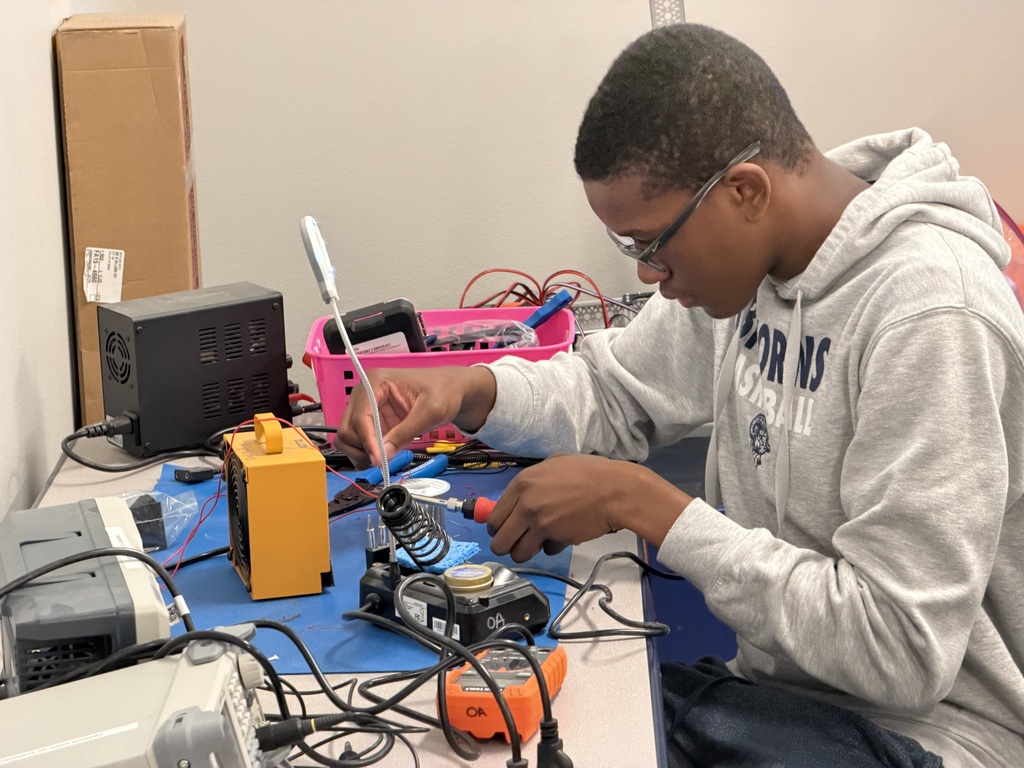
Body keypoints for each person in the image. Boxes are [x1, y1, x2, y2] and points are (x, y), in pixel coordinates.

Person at [334, 23, 1024, 768]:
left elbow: (901, 649)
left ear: (745, 192)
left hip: (935, 739)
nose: (645, 275)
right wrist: (468, 387)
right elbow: (609, 389)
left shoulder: (931, 314)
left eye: (648, 244)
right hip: (784, 703)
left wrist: (649, 507)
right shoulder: (757, 271)